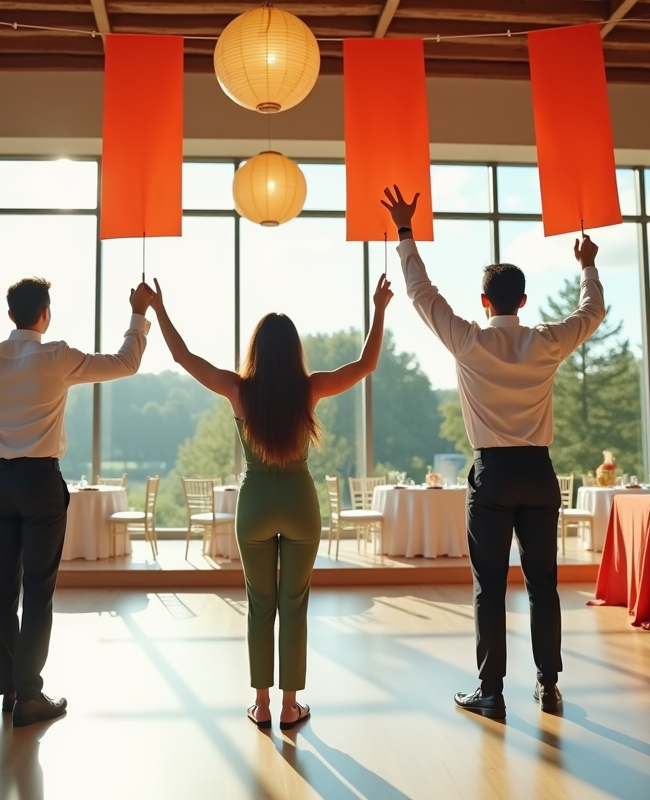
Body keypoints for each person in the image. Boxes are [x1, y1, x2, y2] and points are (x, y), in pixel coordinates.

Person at [382, 186, 604, 718]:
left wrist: (405, 232)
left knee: (489, 587)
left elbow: (422, 295)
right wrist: (587, 266)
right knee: (543, 583)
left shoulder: (469, 342)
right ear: (523, 301)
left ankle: (491, 691)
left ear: (485, 302)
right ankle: (548, 685)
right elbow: (592, 311)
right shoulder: (547, 341)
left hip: (494, 475)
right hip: (540, 474)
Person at [148, 274, 392, 729]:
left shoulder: (238, 390)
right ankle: (288, 706)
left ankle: (260, 704)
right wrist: (378, 308)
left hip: (255, 501)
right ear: (295, 351)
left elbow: (183, 357)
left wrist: (158, 308)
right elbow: (366, 363)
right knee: (293, 604)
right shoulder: (311, 388)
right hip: (300, 500)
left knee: (260, 603)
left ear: (256, 351)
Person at [0, 275, 154, 727]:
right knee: (38, 591)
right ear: (45, 314)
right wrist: (139, 313)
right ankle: (30, 695)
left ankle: (10, 690)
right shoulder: (57, 356)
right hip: (40, 483)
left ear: (10, 316)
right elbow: (126, 362)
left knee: (3, 590)